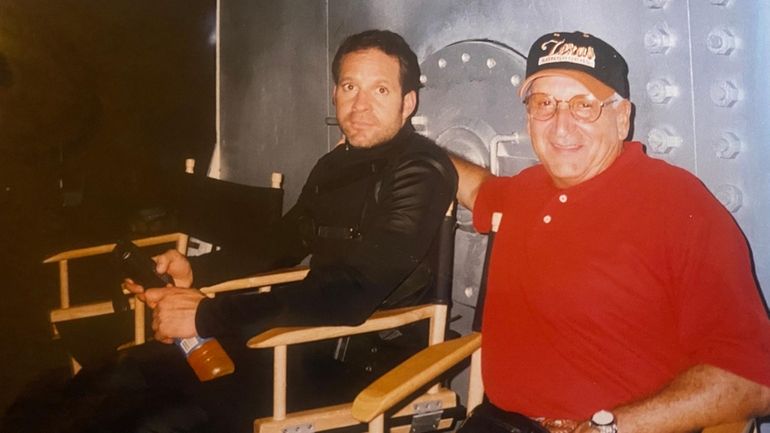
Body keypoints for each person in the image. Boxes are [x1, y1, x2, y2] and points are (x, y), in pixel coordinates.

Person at [2, 29, 457, 433]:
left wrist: (206, 315)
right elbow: (278, 246)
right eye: (349, 86)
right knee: (117, 375)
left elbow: (353, 292)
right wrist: (194, 271)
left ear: (407, 101)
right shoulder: (334, 164)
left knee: (157, 418)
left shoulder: (421, 171)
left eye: (380, 89)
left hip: (362, 365)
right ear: (335, 93)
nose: (359, 105)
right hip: (295, 337)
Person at [452, 31, 770, 433]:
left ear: (622, 118)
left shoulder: (678, 204)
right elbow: (474, 185)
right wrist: (403, 137)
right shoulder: (524, 190)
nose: (561, 127)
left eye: (584, 106)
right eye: (544, 104)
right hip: (498, 423)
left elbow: (754, 377)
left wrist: (610, 426)